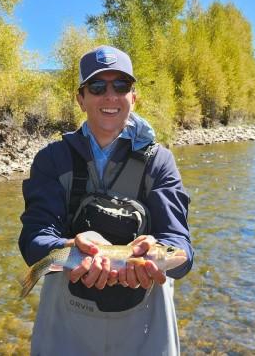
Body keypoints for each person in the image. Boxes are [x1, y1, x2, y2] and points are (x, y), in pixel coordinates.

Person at [19, 45, 193, 355]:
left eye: (121, 85)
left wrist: (163, 260)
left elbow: (180, 247)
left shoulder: (160, 162)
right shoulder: (51, 160)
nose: (110, 96)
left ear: (133, 96)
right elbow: (34, 239)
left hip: (146, 323)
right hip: (67, 321)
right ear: (81, 98)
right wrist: (71, 247)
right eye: (97, 87)